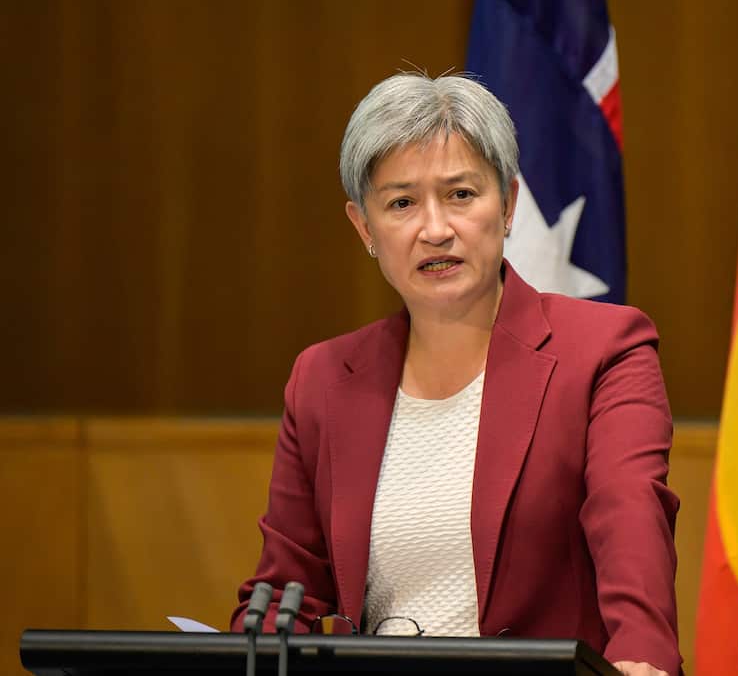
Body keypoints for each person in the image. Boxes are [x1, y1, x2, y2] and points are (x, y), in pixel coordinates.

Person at [231, 72, 680, 676]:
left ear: (510, 204)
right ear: (364, 228)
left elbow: (629, 524)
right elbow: (286, 591)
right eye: (401, 203)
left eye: (462, 194)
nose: (435, 228)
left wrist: (640, 659)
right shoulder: (323, 380)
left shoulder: (603, 351)